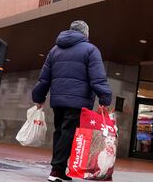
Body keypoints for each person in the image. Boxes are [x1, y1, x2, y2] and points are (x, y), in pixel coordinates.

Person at [32, 20, 112, 182]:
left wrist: (39, 97)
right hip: (78, 101)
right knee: (68, 133)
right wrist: (105, 97)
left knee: (60, 132)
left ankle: (58, 169)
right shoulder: (91, 50)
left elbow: (44, 78)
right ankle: (56, 170)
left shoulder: (54, 50)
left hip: (58, 100)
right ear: (86, 34)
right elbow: (97, 78)